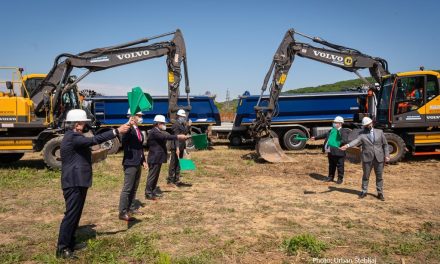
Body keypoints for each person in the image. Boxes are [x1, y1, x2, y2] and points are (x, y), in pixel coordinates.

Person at [56, 109, 130, 259]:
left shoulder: (73, 136)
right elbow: (93, 140)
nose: (85, 126)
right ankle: (62, 248)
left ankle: (71, 242)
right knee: (71, 215)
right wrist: (116, 131)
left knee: (75, 214)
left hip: (78, 181)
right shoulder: (73, 137)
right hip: (74, 182)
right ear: (77, 124)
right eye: (83, 123)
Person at [340, 117, 390, 201]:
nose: (367, 126)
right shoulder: (362, 134)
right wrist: (347, 146)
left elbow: (385, 145)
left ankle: (380, 193)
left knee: (379, 176)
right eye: (365, 125)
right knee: (366, 176)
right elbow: (356, 141)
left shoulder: (380, 132)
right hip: (367, 158)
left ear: (372, 123)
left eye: (368, 124)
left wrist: (387, 155)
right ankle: (364, 191)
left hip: (379, 158)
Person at [145, 115, 189, 200]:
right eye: (163, 123)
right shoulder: (154, 131)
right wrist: (178, 136)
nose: (164, 124)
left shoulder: (158, 131)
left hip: (158, 158)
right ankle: (148, 193)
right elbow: (165, 137)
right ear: (158, 124)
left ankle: (152, 191)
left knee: (156, 176)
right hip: (154, 158)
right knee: (152, 176)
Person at [118, 111, 147, 222]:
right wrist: (128, 125)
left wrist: (143, 160)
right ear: (132, 117)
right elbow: (124, 141)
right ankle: (122, 212)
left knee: (134, 187)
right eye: (139, 116)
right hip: (130, 162)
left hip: (137, 162)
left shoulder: (137, 129)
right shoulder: (128, 128)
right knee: (127, 188)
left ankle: (131, 208)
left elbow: (139, 146)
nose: (141, 118)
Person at [311, 116, 350, 184]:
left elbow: (344, 140)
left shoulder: (344, 131)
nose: (334, 123)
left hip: (339, 152)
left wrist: (336, 143)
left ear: (340, 124)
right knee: (331, 165)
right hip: (331, 151)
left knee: (340, 166)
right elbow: (324, 135)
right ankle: (330, 177)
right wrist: (315, 138)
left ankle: (340, 178)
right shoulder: (332, 130)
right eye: (334, 122)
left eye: (336, 122)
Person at [167, 109, 192, 187]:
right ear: (178, 116)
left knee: (179, 163)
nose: (183, 118)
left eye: (184, 117)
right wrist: (177, 148)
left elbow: (184, 133)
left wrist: (188, 126)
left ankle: (176, 179)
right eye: (182, 116)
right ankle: (170, 180)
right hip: (175, 147)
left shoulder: (182, 124)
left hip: (181, 146)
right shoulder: (175, 125)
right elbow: (176, 137)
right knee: (173, 163)